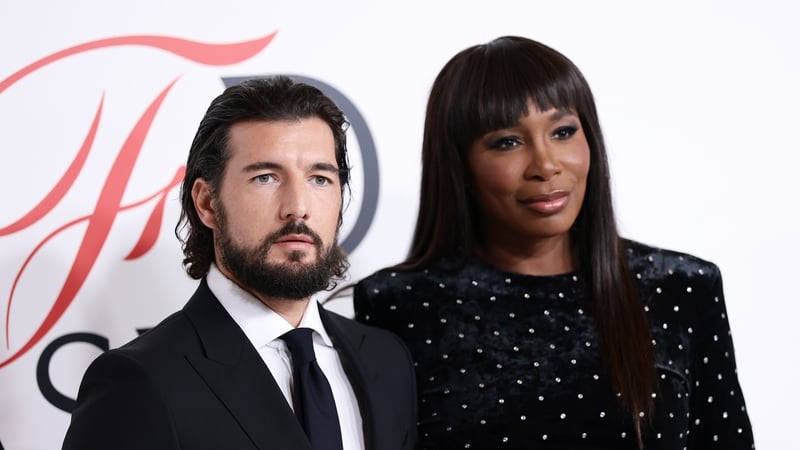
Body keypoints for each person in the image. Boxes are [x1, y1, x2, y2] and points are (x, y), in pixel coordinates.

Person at [353, 36, 755, 450]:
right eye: (507, 142)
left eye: (563, 132)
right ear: (460, 163)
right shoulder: (399, 304)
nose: (546, 165)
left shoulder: (681, 286)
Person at [62, 76, 417, 450]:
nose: (298, 207)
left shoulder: (386, 359)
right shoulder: (140, 379)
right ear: (207, 203)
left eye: (319, 178)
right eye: (265, 177)